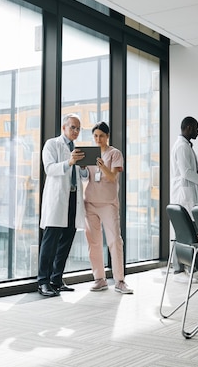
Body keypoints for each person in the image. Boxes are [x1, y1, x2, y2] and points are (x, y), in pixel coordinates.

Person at [37, 113, 88, 297]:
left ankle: (56, 279)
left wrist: (82, 168)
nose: (76, 131)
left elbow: (84, 177)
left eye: (78, 128)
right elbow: (49, 168)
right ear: (64, 128)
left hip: (73, 198)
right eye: (73, 127)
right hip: (58, 199)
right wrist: (70, 162)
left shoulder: (77, 148)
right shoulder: (52, 144)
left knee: (66, 240)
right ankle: (43, 281)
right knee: (50, 241)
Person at [82, 122, 133, 294]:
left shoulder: (115, 154)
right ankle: (99, 279)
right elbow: (85, 178)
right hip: (90, 202)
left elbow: (112, 178)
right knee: (93, 242)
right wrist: (82, 167)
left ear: (107, 136)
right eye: (95, 136)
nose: (98, 139)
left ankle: (119, 280)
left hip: (108, 203)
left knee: (114, 240)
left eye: (101, 136)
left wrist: (102, 166)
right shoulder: (89, 154)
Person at [170, 116, 198, 275]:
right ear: (188, 127)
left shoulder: (185, 146)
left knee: (187, 234)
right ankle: (180, 269)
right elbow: (186, 172)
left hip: (186, 196)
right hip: (184, 198)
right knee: (185, 234)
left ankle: (188, 268)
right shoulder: (182, 147)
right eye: (196, 128)